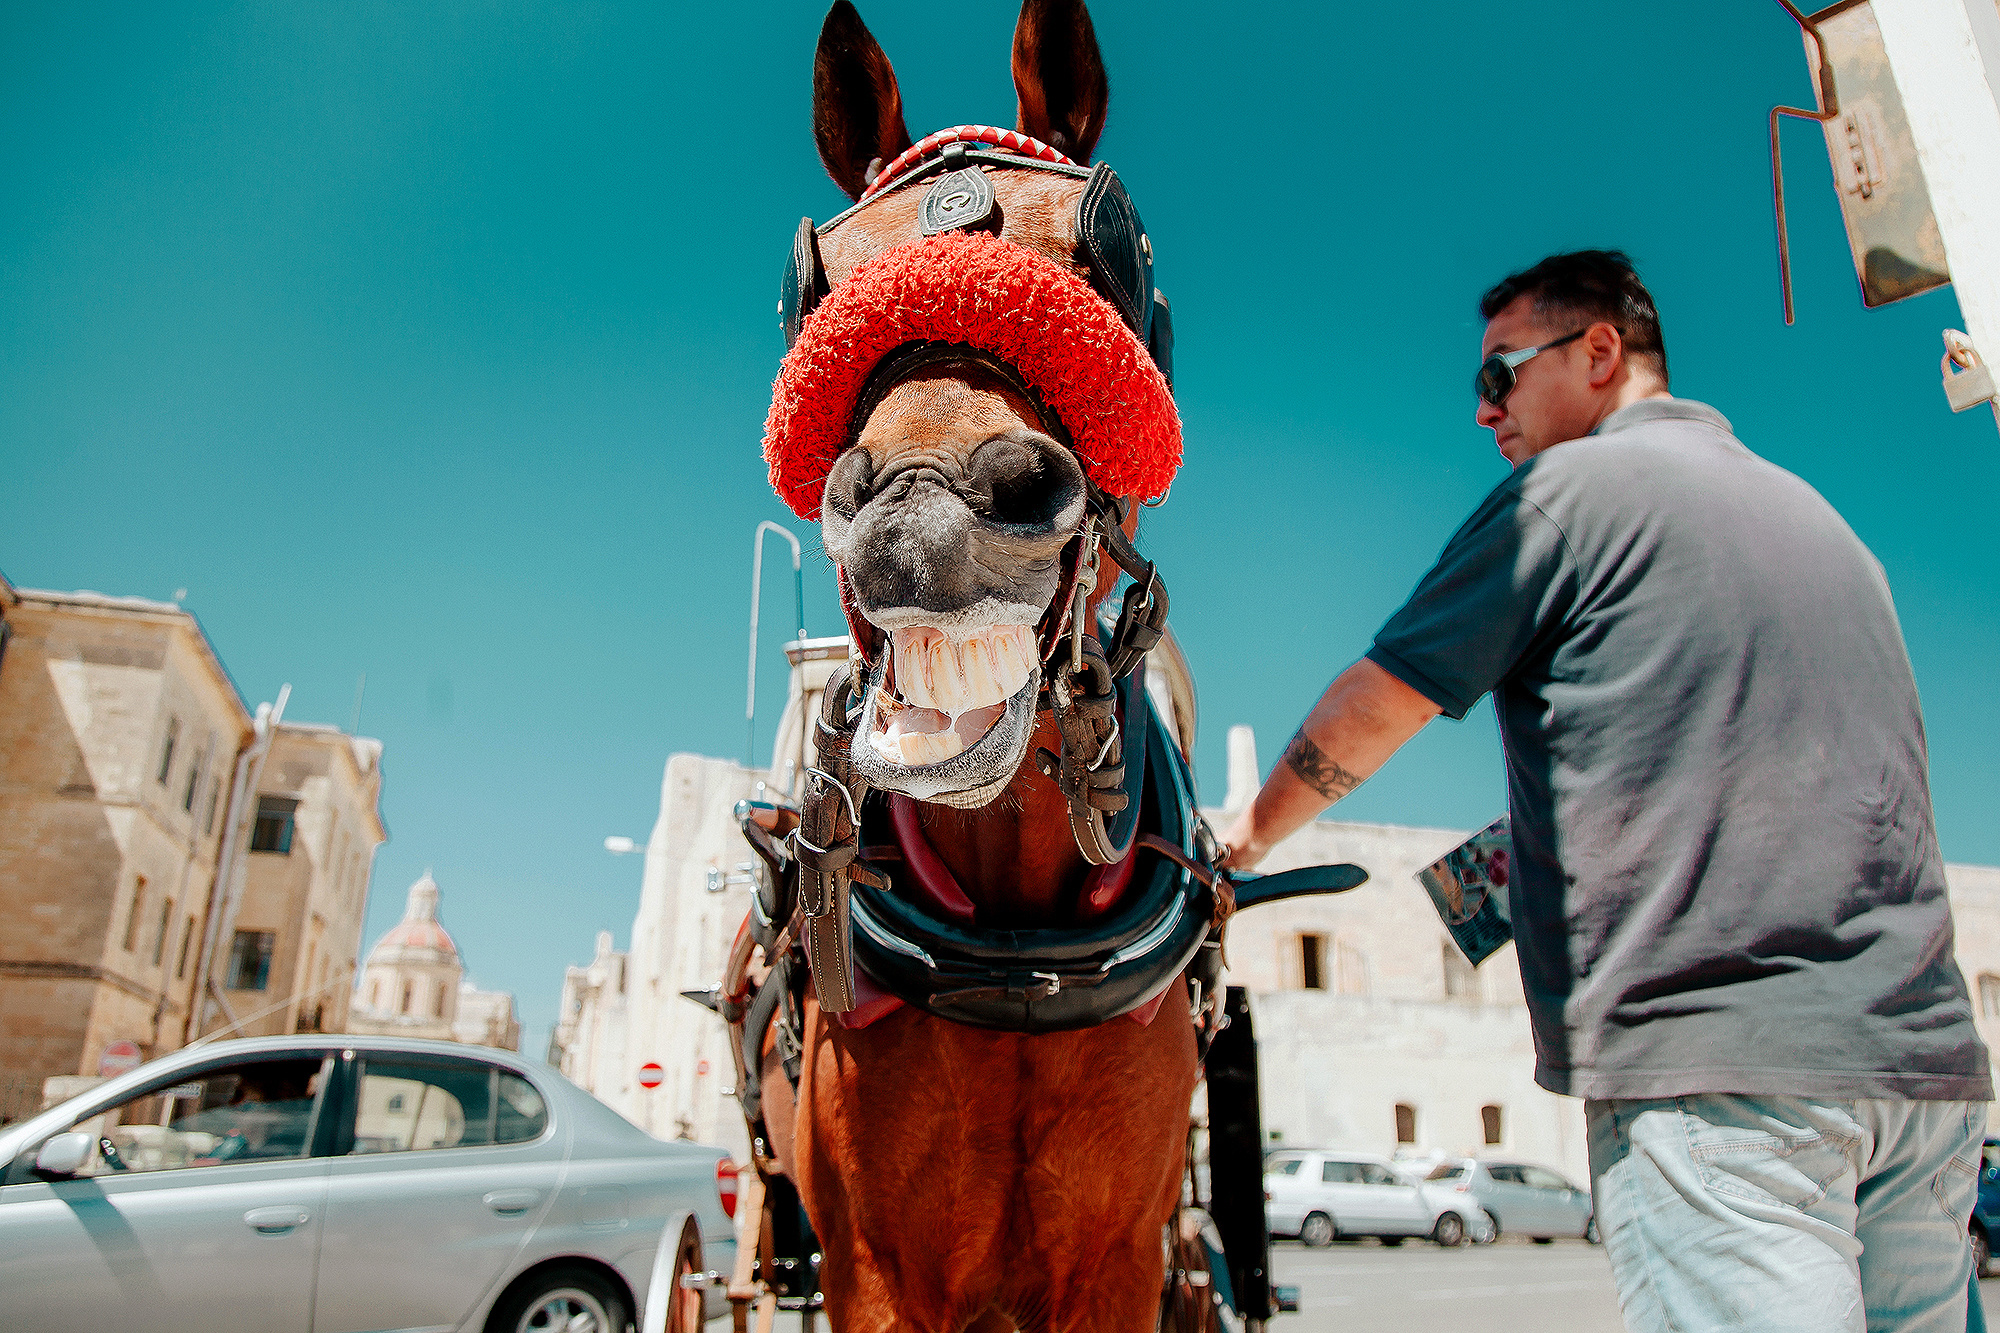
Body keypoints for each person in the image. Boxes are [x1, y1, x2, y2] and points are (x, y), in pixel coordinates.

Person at [1220, 250, 1992, 1333]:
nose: (1484, 414)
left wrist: (1242, 846)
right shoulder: (1827, 528)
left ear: (1597, 352)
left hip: (1722, 1073)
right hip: (1919, 1077)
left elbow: (1377, 703)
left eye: (1499, 376)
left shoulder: (1567, 496)